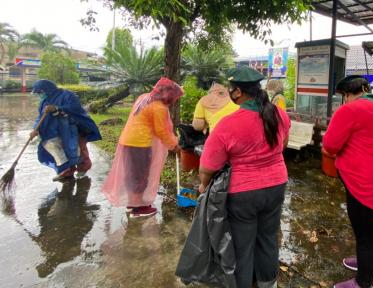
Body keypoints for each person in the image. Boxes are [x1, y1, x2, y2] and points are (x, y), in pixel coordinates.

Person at [198, 66, 290, 288]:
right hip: (277, 185)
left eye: (230, 89)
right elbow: (282, 145)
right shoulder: (279, 114)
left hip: (243, 193)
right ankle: (268, 283)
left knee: (242, 245)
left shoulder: (228, 124)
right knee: (268, 237)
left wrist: (203, 185)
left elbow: (208, 166)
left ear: (238, 92)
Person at [322, 75, 373, 288]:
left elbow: (330, 145)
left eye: (344, 96)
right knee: (372, 228)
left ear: (347, 94)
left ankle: (363, 282)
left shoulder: (350, 110)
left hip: (366, 180)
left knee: (365, 232)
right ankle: (368, 264)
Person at [102, 77, 184, 218]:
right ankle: (138, 209)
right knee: (140, 175)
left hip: (127, 140)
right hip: (139, 144)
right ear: (168, 95)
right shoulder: (158, 107)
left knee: (132, 174)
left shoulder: (144, 97)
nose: (175, 100)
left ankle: (132, 203)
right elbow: (162, 132)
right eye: (175, 97)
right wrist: (175, 146)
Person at [30, 80, 101, 181]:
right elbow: (40, 117)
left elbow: (75, 108)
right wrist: (35, 129)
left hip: (75, 128)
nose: (40, 95)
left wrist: (57, 108)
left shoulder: (68, 95)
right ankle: (66, 171)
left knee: (78, 149)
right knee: (60, 150)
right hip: (57, 130)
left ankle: (83, 168)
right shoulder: (45, 101)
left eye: (40, 92)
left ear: (47, 89)